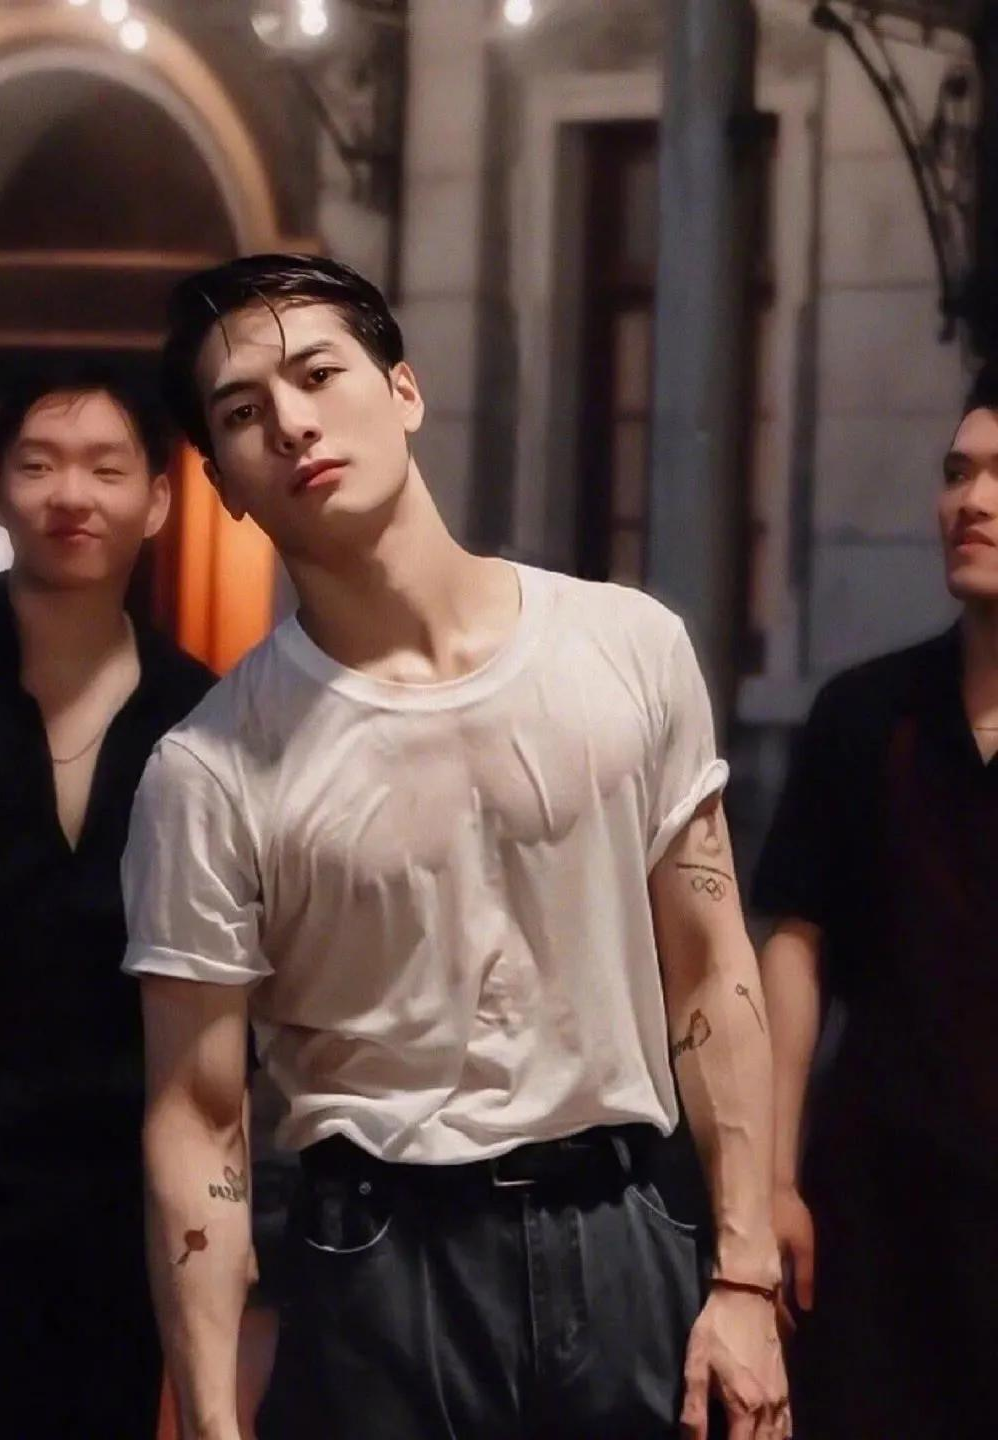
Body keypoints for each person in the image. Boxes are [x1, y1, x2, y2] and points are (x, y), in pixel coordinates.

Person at [122, 253, 789, 1440]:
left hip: (623, 1229)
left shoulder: (628, 646)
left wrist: (745, 1278)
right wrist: (212, 1423)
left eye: (317, 374)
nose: (291, 422)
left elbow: (709, 966)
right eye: (242, 412)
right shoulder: (208, 769)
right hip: (380, 1261)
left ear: (405, 389)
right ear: (222, 483)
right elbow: (197, 1115)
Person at [0, 366, 213, 1438]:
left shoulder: (203, 716)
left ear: (159, 500)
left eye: (106, 468)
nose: (71, 496)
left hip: (110, 1207)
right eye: (39, 466)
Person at [754, 367, 998, 1437]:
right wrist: (771, 1179)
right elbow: (795, 945)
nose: (971, 501)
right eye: (956, 472)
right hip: (880, 1212)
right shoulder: (865, 715)